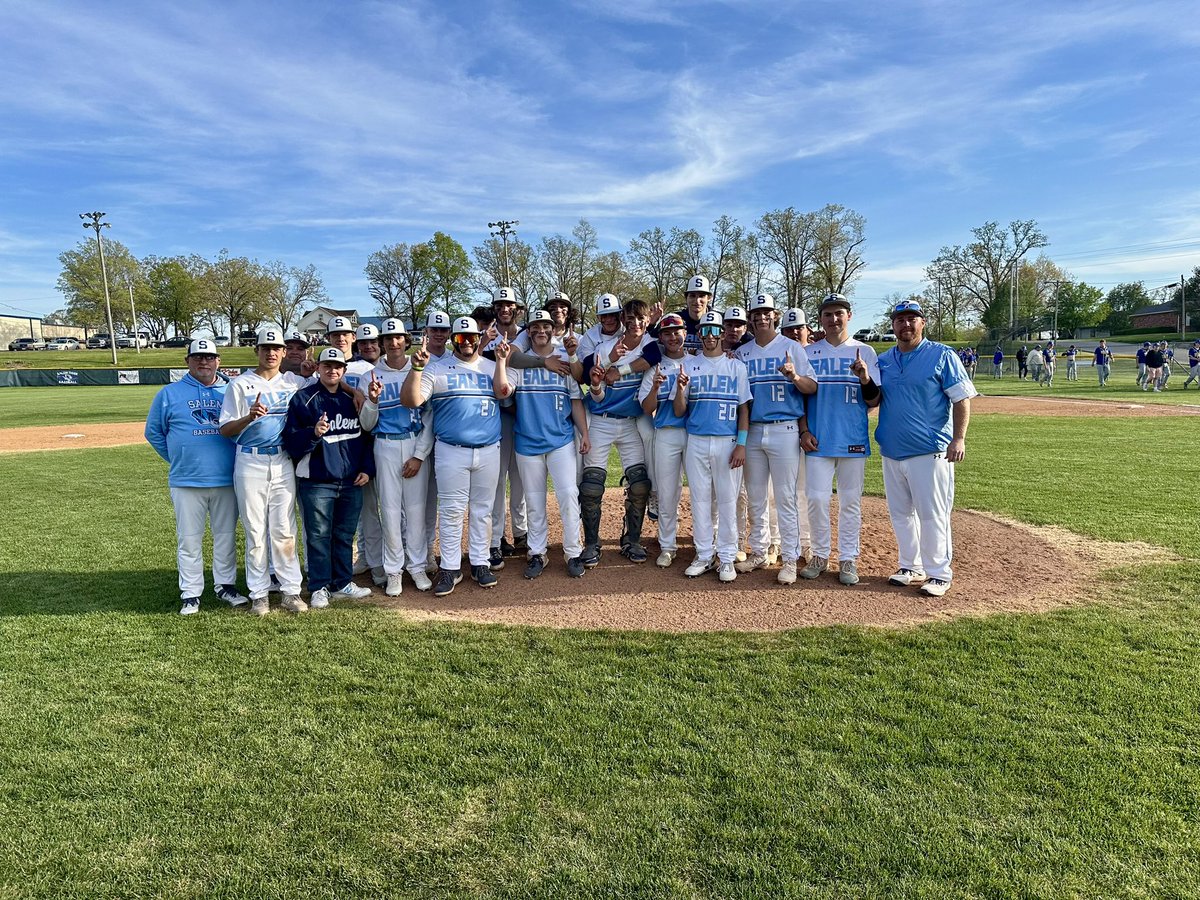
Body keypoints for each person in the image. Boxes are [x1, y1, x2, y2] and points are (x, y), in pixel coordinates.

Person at [876, 300, 977, 598]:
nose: (906, 324)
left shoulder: (941, 355)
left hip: (930, 450)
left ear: (923, 323)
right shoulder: (884, 360)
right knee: (900, 513)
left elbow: (961, 399)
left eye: (912, 319)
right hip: (892, 450)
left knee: (933, 514)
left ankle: (939, 573)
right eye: (900, 319)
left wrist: (958, 439)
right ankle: (910, 565)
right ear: (893, 325)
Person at [145, 338, 250, 615]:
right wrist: (178, 457)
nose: (204, 361)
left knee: (225, 536)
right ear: (187, 361)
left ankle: (225, 585)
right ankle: (191, 593)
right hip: (186, 480)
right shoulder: (169, 393)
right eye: (197, 357)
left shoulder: (231, 390)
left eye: (209, 357)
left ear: (219, 360)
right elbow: (154, 432)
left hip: (227, 478)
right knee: (189, 539)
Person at [401, 315, 504, 596]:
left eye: (471, 336)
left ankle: (480, 562)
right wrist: (417, 368)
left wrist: (504, 362)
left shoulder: (492, 367)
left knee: (483, 509)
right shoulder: (436, 369)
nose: (467, 341)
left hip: (488, 448)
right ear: (453, 340)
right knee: (451, 511)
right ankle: (449, 567)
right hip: (451, 449)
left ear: (478, 338)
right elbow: (411, 400)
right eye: (460, 337)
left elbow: (505, 393)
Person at [218, 326, 312, 615]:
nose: (271, 353)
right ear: (256, 351)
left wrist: (310, 371)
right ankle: (259, 593)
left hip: (282, 460)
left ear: (284, 353)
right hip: (250, 461)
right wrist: (249, 417)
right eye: (265, 348)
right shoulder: (240, 384)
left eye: (276, 349)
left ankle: (291, 591)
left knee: (285, 529)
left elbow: (323, 386)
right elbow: (224, 429)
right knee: (256, 531)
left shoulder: (293, 382)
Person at [493, 310, 589, 579]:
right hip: (527, 442)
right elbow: (502, 390)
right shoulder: (519, 365)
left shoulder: (562, 359)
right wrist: (501, 362)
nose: (541, 331)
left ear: (552, 328)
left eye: (545, 326)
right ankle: (537, 553)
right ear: (529, 331)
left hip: (560, 441)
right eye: (535, 327)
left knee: (568, 496)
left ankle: (573, 552)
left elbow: (576, 400)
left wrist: (585, 434)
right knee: (534, 501)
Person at [797, 293, 881, 586]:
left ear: (849, 315)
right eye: (828, 314)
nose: (834, 319)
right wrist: (804, 430)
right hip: (818, 439)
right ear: (820, 319)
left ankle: (848, 557)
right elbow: (800, 399)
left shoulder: (865, 352)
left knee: (850, 502)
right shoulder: (808, 352)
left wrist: (865, 378)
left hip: (852, 438)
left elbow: (875, 398)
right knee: (817, 499)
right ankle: (819, 555)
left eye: (839, 313)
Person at [283, 348, 376, 610]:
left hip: (350, 480)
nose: (332, 370)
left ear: (344, 371)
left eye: (337, 366)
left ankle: (342, 582)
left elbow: (367, 436)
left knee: (345, 534)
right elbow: (290, 441)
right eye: (327, 366)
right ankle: (319, 586)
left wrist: (368, 469)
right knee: (319, 536)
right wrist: (313, 433)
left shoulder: (352, 400)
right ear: (318, 368)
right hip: (317, 479)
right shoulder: (304, 398)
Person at [734, 294, 816, 584]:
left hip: (785, 428)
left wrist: (794, 376)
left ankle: (790, 558)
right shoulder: (743, 352)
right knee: (756, 496)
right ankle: (758, 550)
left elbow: (811, 387)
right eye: (756, 313)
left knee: (785, 496)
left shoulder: (792, 347)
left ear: (775, 316)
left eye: (766, 312)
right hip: (754, 429)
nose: (761, 317)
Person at [579, 299, 660, 565]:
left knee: (639, 484)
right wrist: (598, 380)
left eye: (640, 319)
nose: (635, 323)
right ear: (623, 319)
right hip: (601, 418)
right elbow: (595, 389)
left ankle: (632, 540)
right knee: (591, 486)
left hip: (629, 422)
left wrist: (620, 369)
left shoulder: (649, 344)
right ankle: (591, 544)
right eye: (631, 318)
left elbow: (653, 357)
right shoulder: (604, 348)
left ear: (647, 321)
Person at [674, 310, 751, 582]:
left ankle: (727, 557)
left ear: (721, 333)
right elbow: (680, 409)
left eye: (713, 330)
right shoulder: (690, 366)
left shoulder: (736, 366)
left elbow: (744, 409)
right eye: (704, 331)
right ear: (700, 335)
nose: (709, 336)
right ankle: (704, 554)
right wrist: (681, 390)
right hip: (696, 439)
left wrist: (741, 444)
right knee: (700, 500)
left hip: (727, 441)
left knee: (728, 501)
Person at [361, 317, 433, 596]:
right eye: (388, 339)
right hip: (384, 444)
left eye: (398, 338)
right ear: (381, 344)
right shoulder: (370, 374)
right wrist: (372, 401)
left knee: (416, 510)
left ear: (406, 341)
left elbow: (429, 419)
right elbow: (366, 424)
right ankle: (394, 571)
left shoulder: (420, 370)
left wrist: (419, 455)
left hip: (414, 442)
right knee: (389, 511)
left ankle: (416, 566)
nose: (393, 343)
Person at [638, 314, 689, 568]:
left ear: (685, 333)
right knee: (667, 494)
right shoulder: (654, 367)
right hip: (666, 433)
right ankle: (668, 546)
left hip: (695, 434)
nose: (672, 337)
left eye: (676, 332)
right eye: (667, 333)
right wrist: (655, 389)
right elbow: (647, 409)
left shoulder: (698, 362)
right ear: (661, 337)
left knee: (705, 493)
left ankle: (707, 543)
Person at [484, 287, 529, 567]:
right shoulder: (485, 335)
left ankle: (522, 532)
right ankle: (497, 537)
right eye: (500, 304)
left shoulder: (526, 333)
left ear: (516, 309)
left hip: (523, 413)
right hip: (496, 416)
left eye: (509, 305)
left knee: (521, 477)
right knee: (497, 479)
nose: (504, 309)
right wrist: (483, 344)